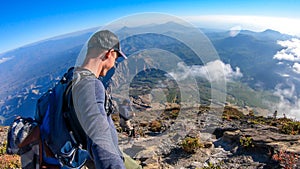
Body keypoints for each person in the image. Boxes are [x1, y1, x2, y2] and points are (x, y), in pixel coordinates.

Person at [71, 30, 141, 169]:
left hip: (78, 155)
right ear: (109, 53)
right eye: (115, 58)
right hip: (92, 157)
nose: (114, 64)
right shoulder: (92, 86)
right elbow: (100, 141)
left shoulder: (71, 80)